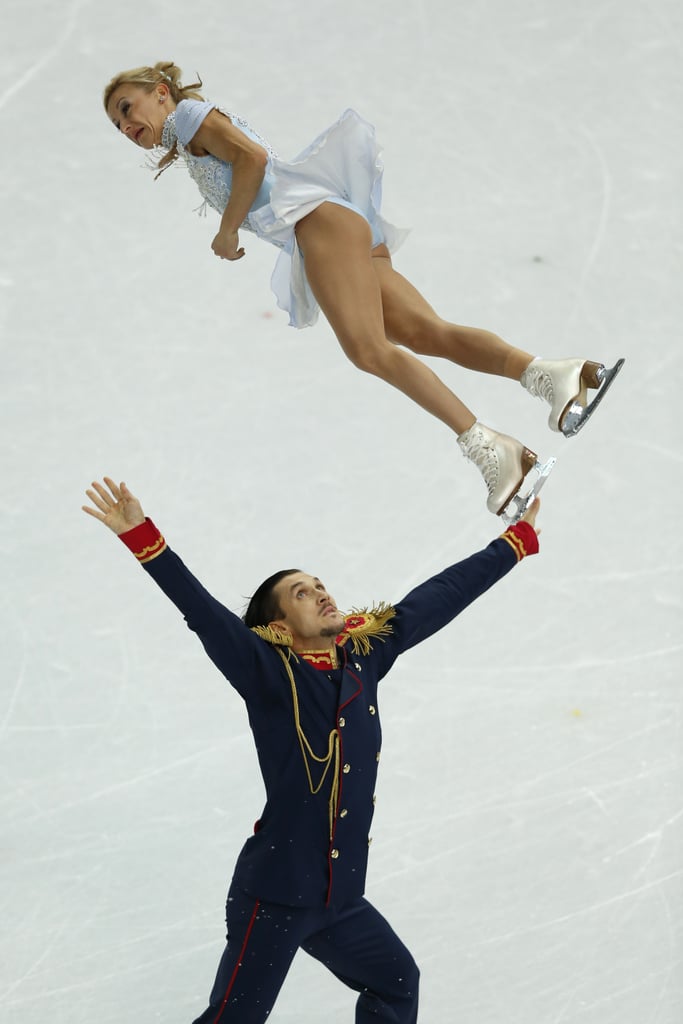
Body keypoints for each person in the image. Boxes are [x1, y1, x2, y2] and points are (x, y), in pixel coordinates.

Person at [83, 475, 542, 1023]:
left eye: (320, 584)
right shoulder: (267, 672)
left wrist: (512, 545)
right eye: (302, 592)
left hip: (339, 898)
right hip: (275, 898)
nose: (322, 592)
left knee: (397, 983)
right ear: (279, 626)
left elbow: (434, 600)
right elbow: (203, 612)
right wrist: (143, 538)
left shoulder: (362, 657)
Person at [102, 63, 623, 521]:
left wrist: (228, 229)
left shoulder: (190, 118)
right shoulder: (189, 130)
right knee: (423, 331)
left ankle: (493, 451)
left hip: (318, 223)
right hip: (336, 222)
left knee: (368, 350)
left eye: (128, 107)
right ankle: (555, 375)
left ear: (162, 91)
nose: (127, 125)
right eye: (118, 123)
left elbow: (253, 159)